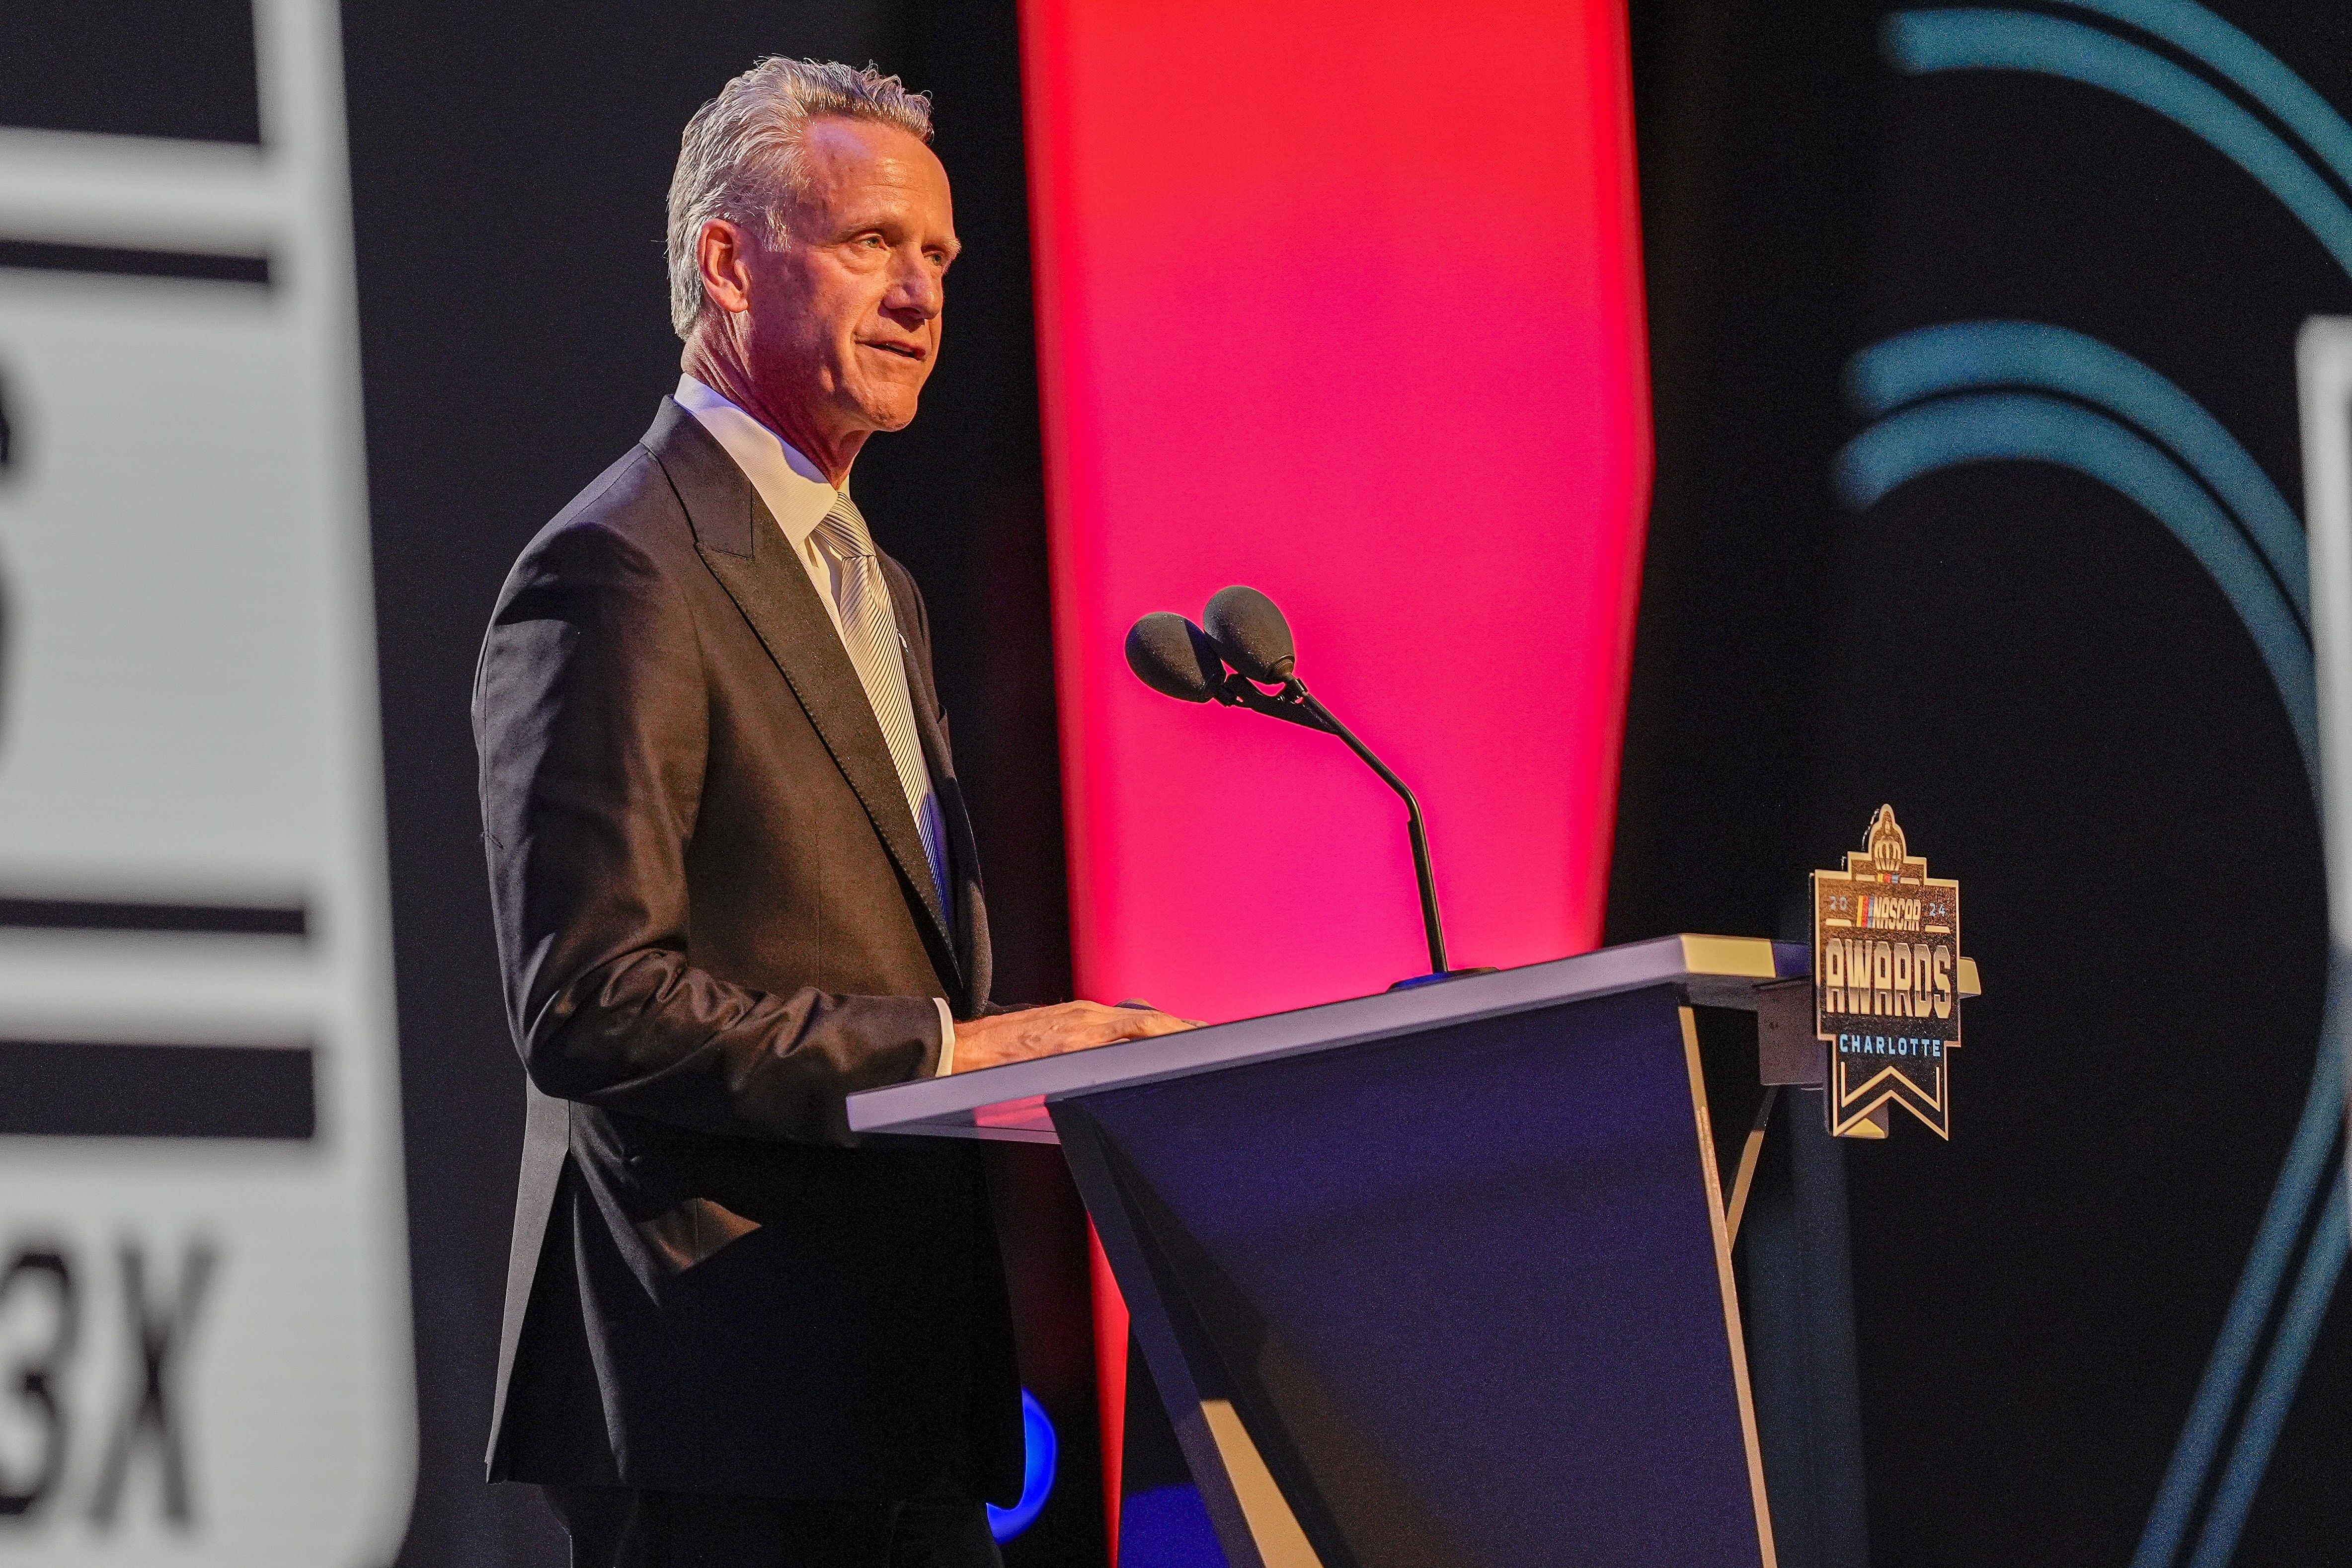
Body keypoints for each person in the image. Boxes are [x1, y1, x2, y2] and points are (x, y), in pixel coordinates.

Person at [472, 58, 1191, 1568]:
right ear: (729, 262)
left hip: (894, 1394)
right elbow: (591, 1003)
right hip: (724, 1397)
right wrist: (951, 1053)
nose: (921, 293)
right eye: (872, 243)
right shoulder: (618, 572)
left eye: (936, 256)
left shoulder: (878, 585)